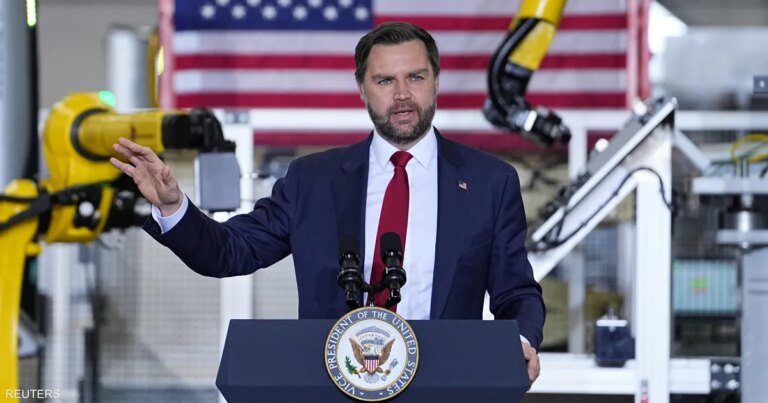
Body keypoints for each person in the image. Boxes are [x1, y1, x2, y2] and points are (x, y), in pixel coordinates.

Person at [111, 22, 544, 383]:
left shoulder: (490, 182)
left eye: (415, 77)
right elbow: (228, 251)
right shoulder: (312, 180)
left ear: (436, 81)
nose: (402, 94)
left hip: (446, 385)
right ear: (362, 88)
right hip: (331, 386)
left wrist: (521, 342)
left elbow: (516, 291)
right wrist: (173, 206)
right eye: (384, 80)